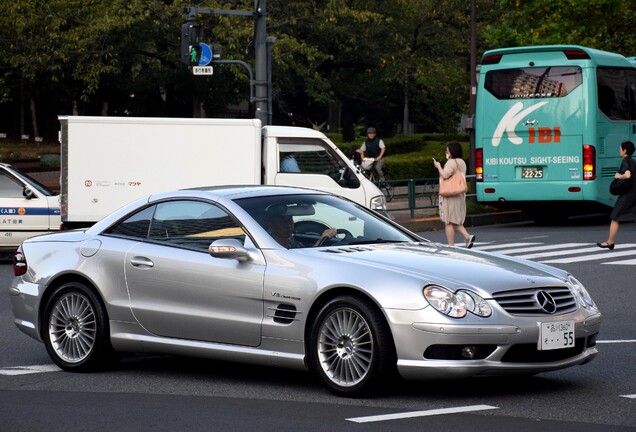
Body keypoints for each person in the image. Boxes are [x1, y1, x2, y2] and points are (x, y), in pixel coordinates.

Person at [433, 141, 475, 248]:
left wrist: (438, 166)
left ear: (452, 152)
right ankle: (467, 237)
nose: (446, 153)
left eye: (447, 151)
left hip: (450, 195)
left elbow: (445, 175)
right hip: (459, 194)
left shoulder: (451, 163)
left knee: (448, 221)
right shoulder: (462, 162)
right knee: (455, 219)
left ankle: (451, 246)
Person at [597, 140, 636, 249]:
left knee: (615, 217)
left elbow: (628, 175)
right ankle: (610, 241)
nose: (619, 150)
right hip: (633, 193)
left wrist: (618, 176)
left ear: (625, 150)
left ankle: (610, 242)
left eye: (620, 149)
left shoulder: (626, 161)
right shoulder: (633, 161)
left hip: (627, 195)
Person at [267, 210, 336, 248]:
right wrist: (322, 238)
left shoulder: (295, 244)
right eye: (282, 222)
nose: (288, 225)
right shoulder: (268, 246)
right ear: (271, 224)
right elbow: (308, 260)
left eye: (290, 220)